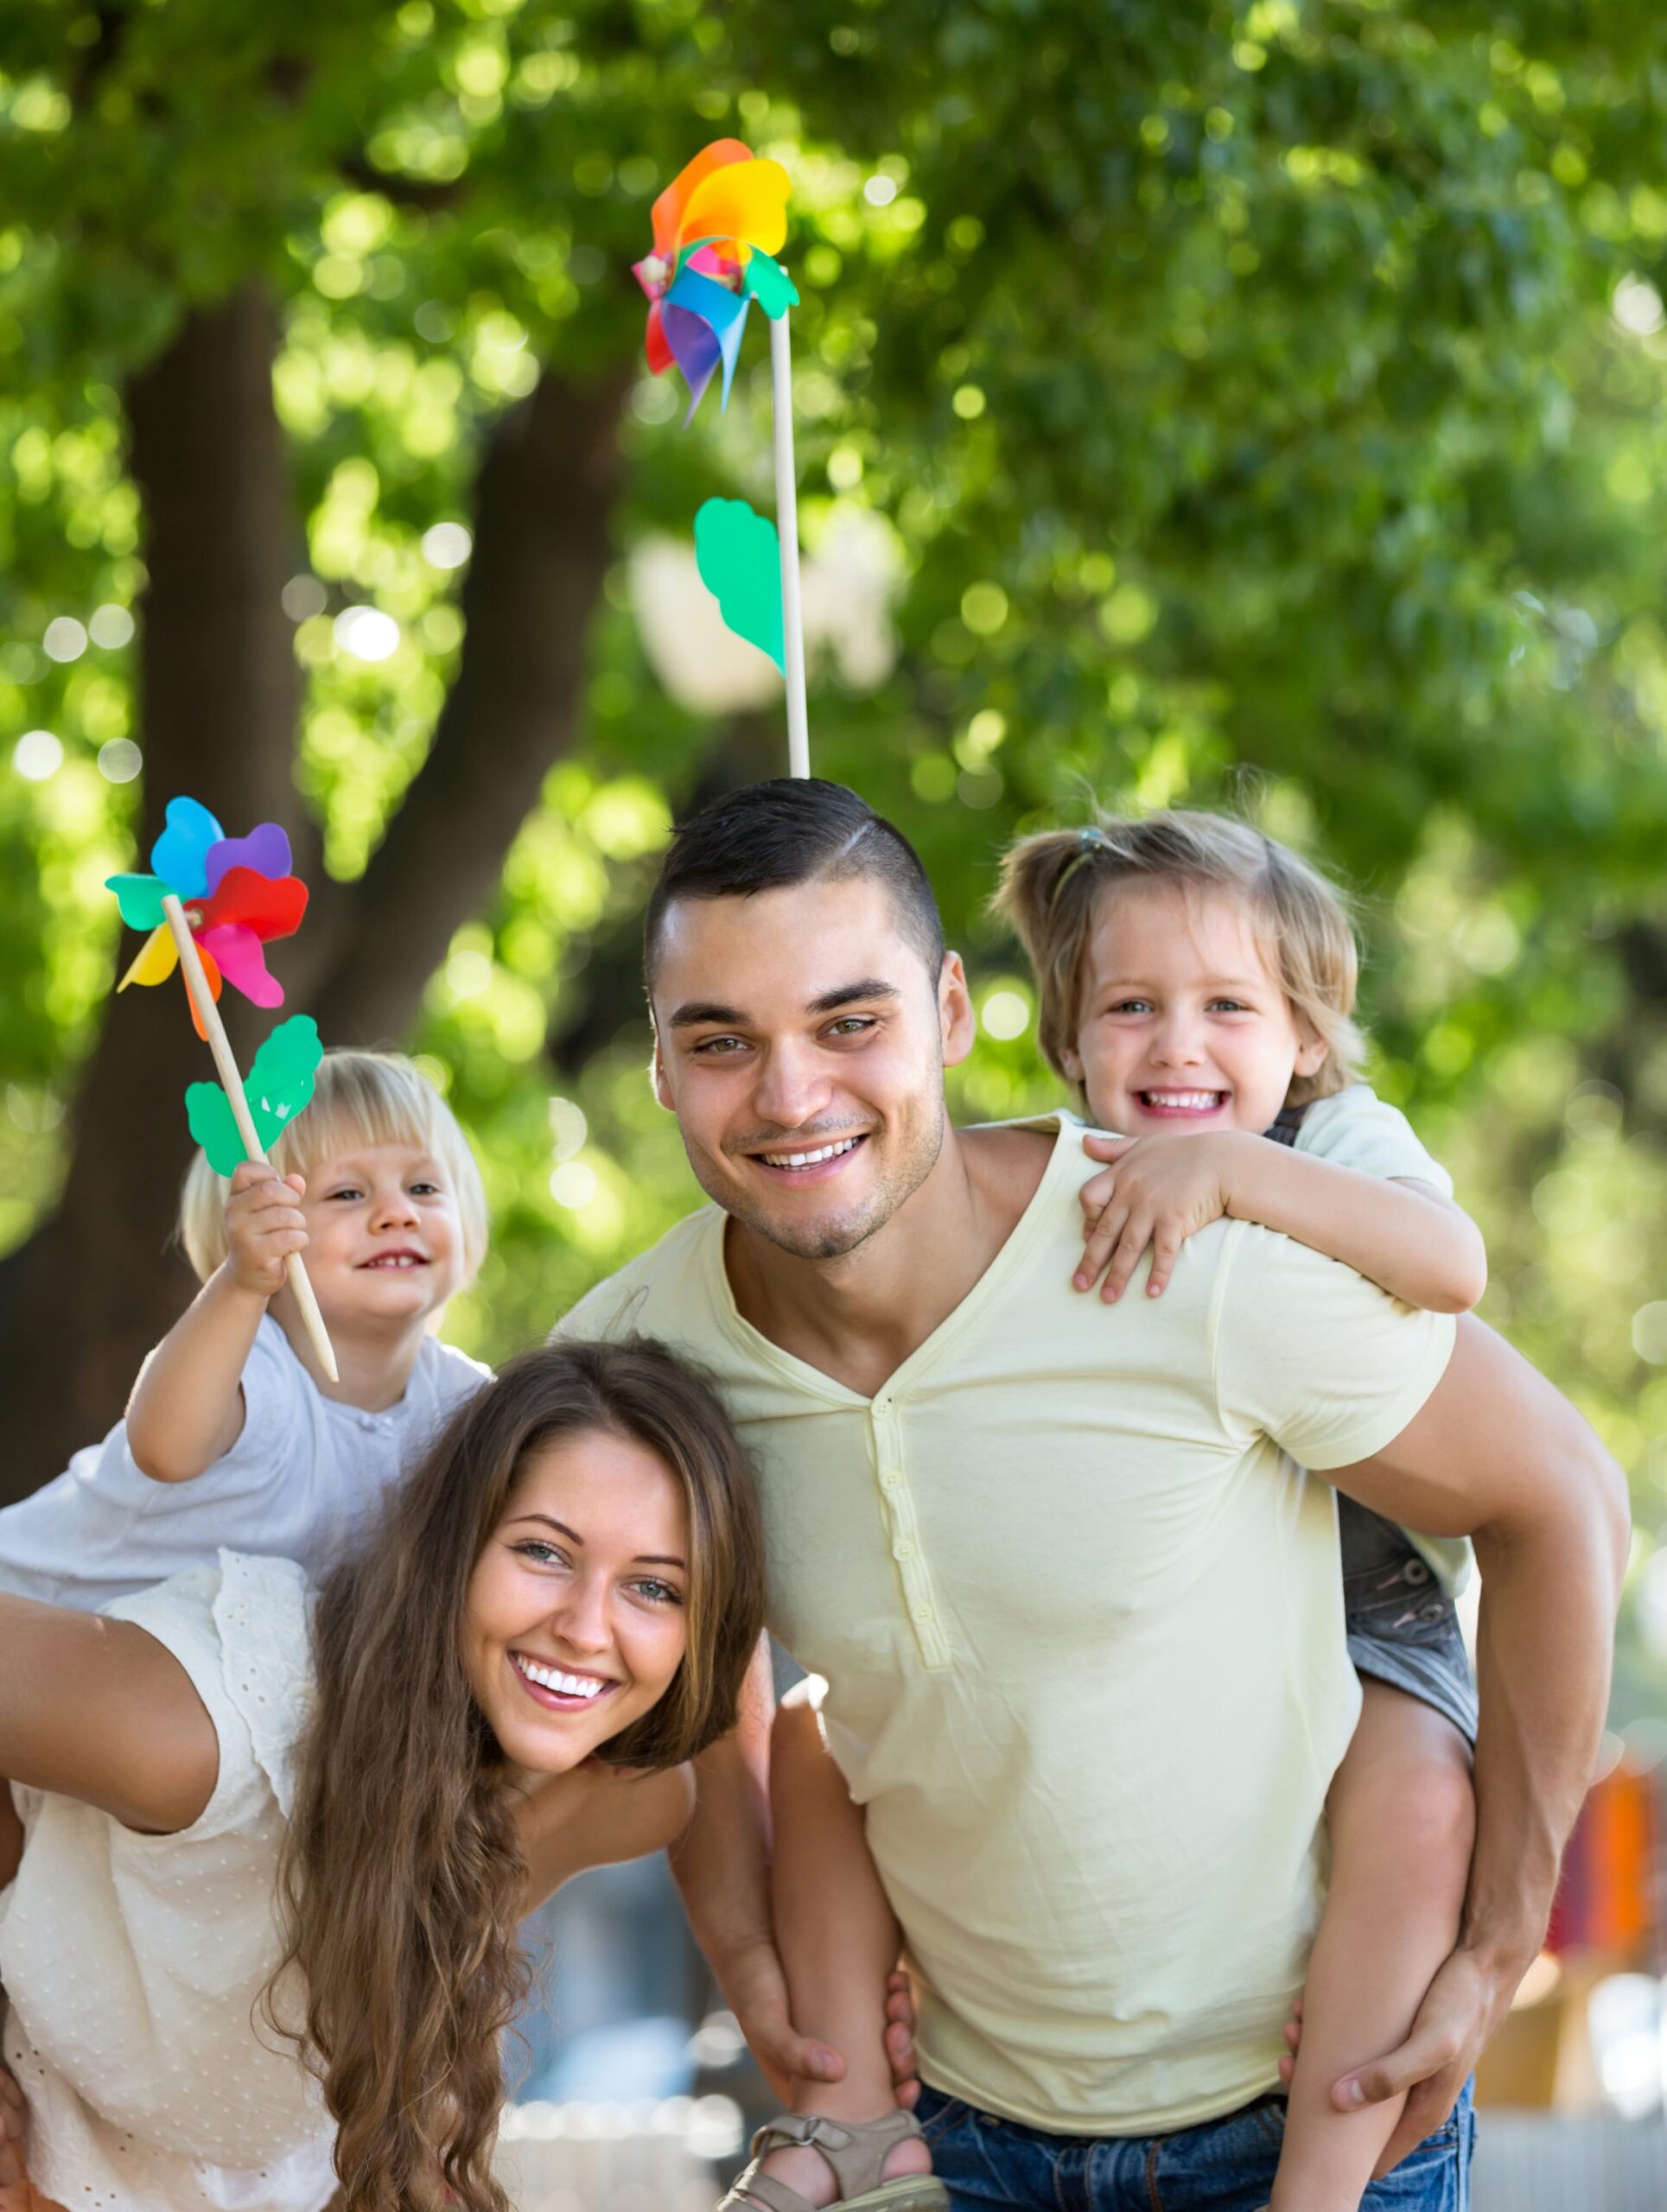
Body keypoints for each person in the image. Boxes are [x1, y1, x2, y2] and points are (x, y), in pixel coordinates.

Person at [552, 778, 1627, 2212]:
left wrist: (1496, 1945)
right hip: (956, 2144)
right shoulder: (633, 1365)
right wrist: (750, 1956)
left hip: (1305, 2117)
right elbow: (673, 1684)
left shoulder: (1178, 1243)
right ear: (659, 1063)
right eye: (720, 1042)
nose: (790, 1093)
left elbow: (1556, 1494)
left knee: (1403, 1765)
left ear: (948, 1010)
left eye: (847, 1022)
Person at [0, 1337, 766, 2212]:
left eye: (654, 1588)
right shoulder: (210, 1729)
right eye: (544, 1553)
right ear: (456, 1545)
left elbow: (388, 1980)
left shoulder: (624, 1798)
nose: (588, 1629)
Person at [0, 1048, 491, 1608]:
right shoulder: (256, 1371)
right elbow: (164, 1449)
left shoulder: (463, 1403)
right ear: (255, 1233)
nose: (397, 1213)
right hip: (28, 1614)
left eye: (423, 1188)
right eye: (347, 1193)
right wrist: (240, 1284)